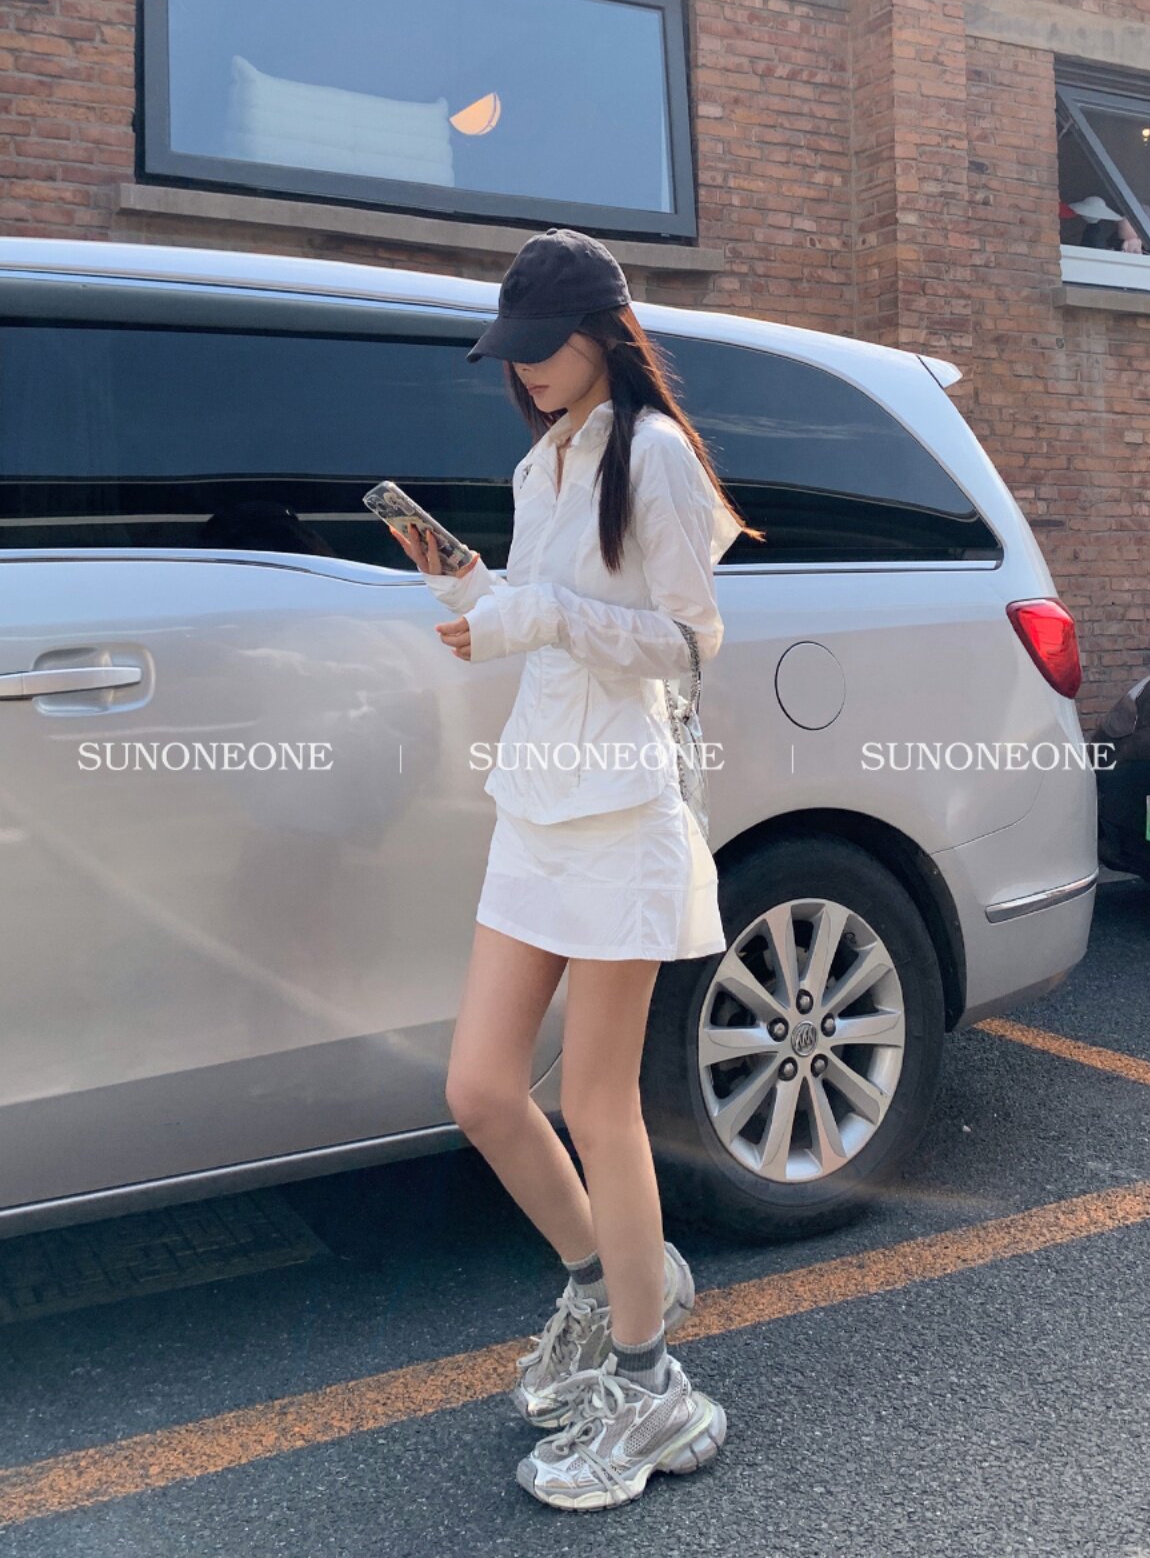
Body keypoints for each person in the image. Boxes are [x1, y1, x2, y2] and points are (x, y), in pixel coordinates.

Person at [391, 226, 763, 1511]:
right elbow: (542, 610)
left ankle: (654, 1388)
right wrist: (476, 593)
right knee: (482, 1088)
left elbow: (689, 639)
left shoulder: (653, 454)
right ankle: (606, 1290)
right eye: (514, 351)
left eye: (543, 345)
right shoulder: (538, 461)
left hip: (621, 808)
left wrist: (543, 615)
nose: (527, 368)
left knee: (601, 1106)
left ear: (605, 331)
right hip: (538, 802)